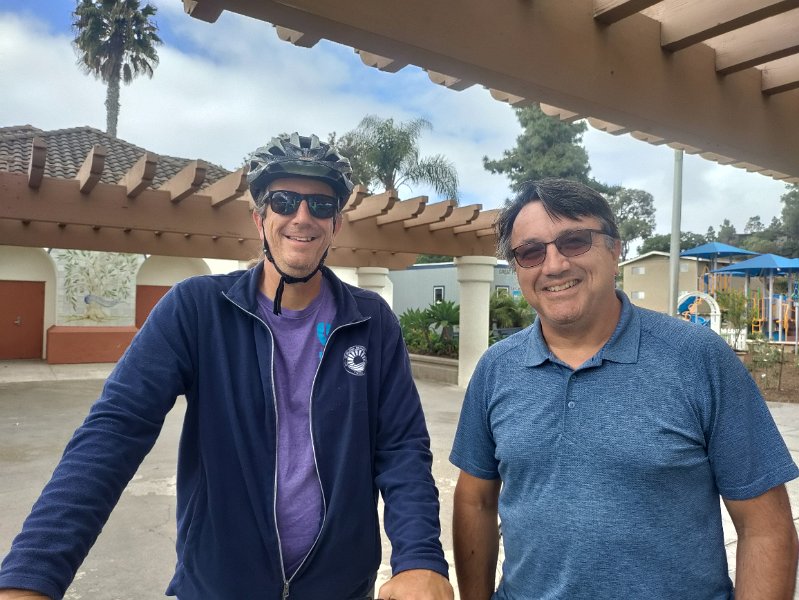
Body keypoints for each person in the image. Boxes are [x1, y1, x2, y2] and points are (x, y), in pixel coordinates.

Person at [0, 133, 453, 600]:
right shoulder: (196, 308)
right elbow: (115, 428)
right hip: (219, 585)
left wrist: (419, 558)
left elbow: (401, 446)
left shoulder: (371, 320)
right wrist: (32, 573)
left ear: (335, 224)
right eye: (284, 201)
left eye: (320, 205)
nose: (302, 216)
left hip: (339, 587)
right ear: (260, 218)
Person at [450, 178, 799, 599]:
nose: (554, 265)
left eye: (574, 241)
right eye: (531, 252)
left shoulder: (697, 358)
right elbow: (475, 501)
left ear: (615, 249)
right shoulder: (496, 369)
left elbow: (764, 526)